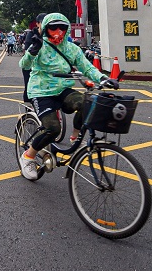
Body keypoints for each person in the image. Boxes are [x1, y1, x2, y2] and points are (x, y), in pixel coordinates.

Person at [17, 13, 120, 180]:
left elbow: (87, 68)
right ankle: (28, 157)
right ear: (46, 29)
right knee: (53, 129)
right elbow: (24, 65)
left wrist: (104, 78)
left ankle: (75, 135)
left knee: (87, 103)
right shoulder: (39, 44)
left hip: (63, 89)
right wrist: (32, 52)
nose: (58, 31)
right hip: (41, 92)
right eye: (53, 28)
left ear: (67, 29)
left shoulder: (72, 48)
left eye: (62, 28)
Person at [21, 13, 47, 102]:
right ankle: (28, 108)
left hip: (46, 65)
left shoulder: (51, 34)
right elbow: (28, 50)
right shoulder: (31, 34)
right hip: (30, 64)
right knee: (29, 86)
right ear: (37, 24)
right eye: (42, 22)